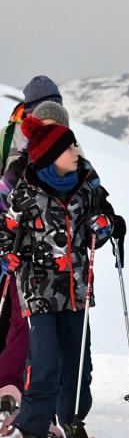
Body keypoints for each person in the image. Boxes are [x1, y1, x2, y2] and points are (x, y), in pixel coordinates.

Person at [0, 116, 118, 438]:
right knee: (44, 359)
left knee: (79, 359)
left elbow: (103, 219)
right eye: (69, 148)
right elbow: (3, 229)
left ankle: (73, 420)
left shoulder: (85, 187)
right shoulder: (26, 191)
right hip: (37, 289)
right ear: (51, 154)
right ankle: (33, 431)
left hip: (76, 287)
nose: (76, 152)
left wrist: (104, 226)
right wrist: (7, 254)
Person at [0, 77, 64, 356]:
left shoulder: (64, 140)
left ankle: (24, 380)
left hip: (46, 241)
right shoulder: (6, 137)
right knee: (9, 311)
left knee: (28, 313)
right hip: (9, 232)